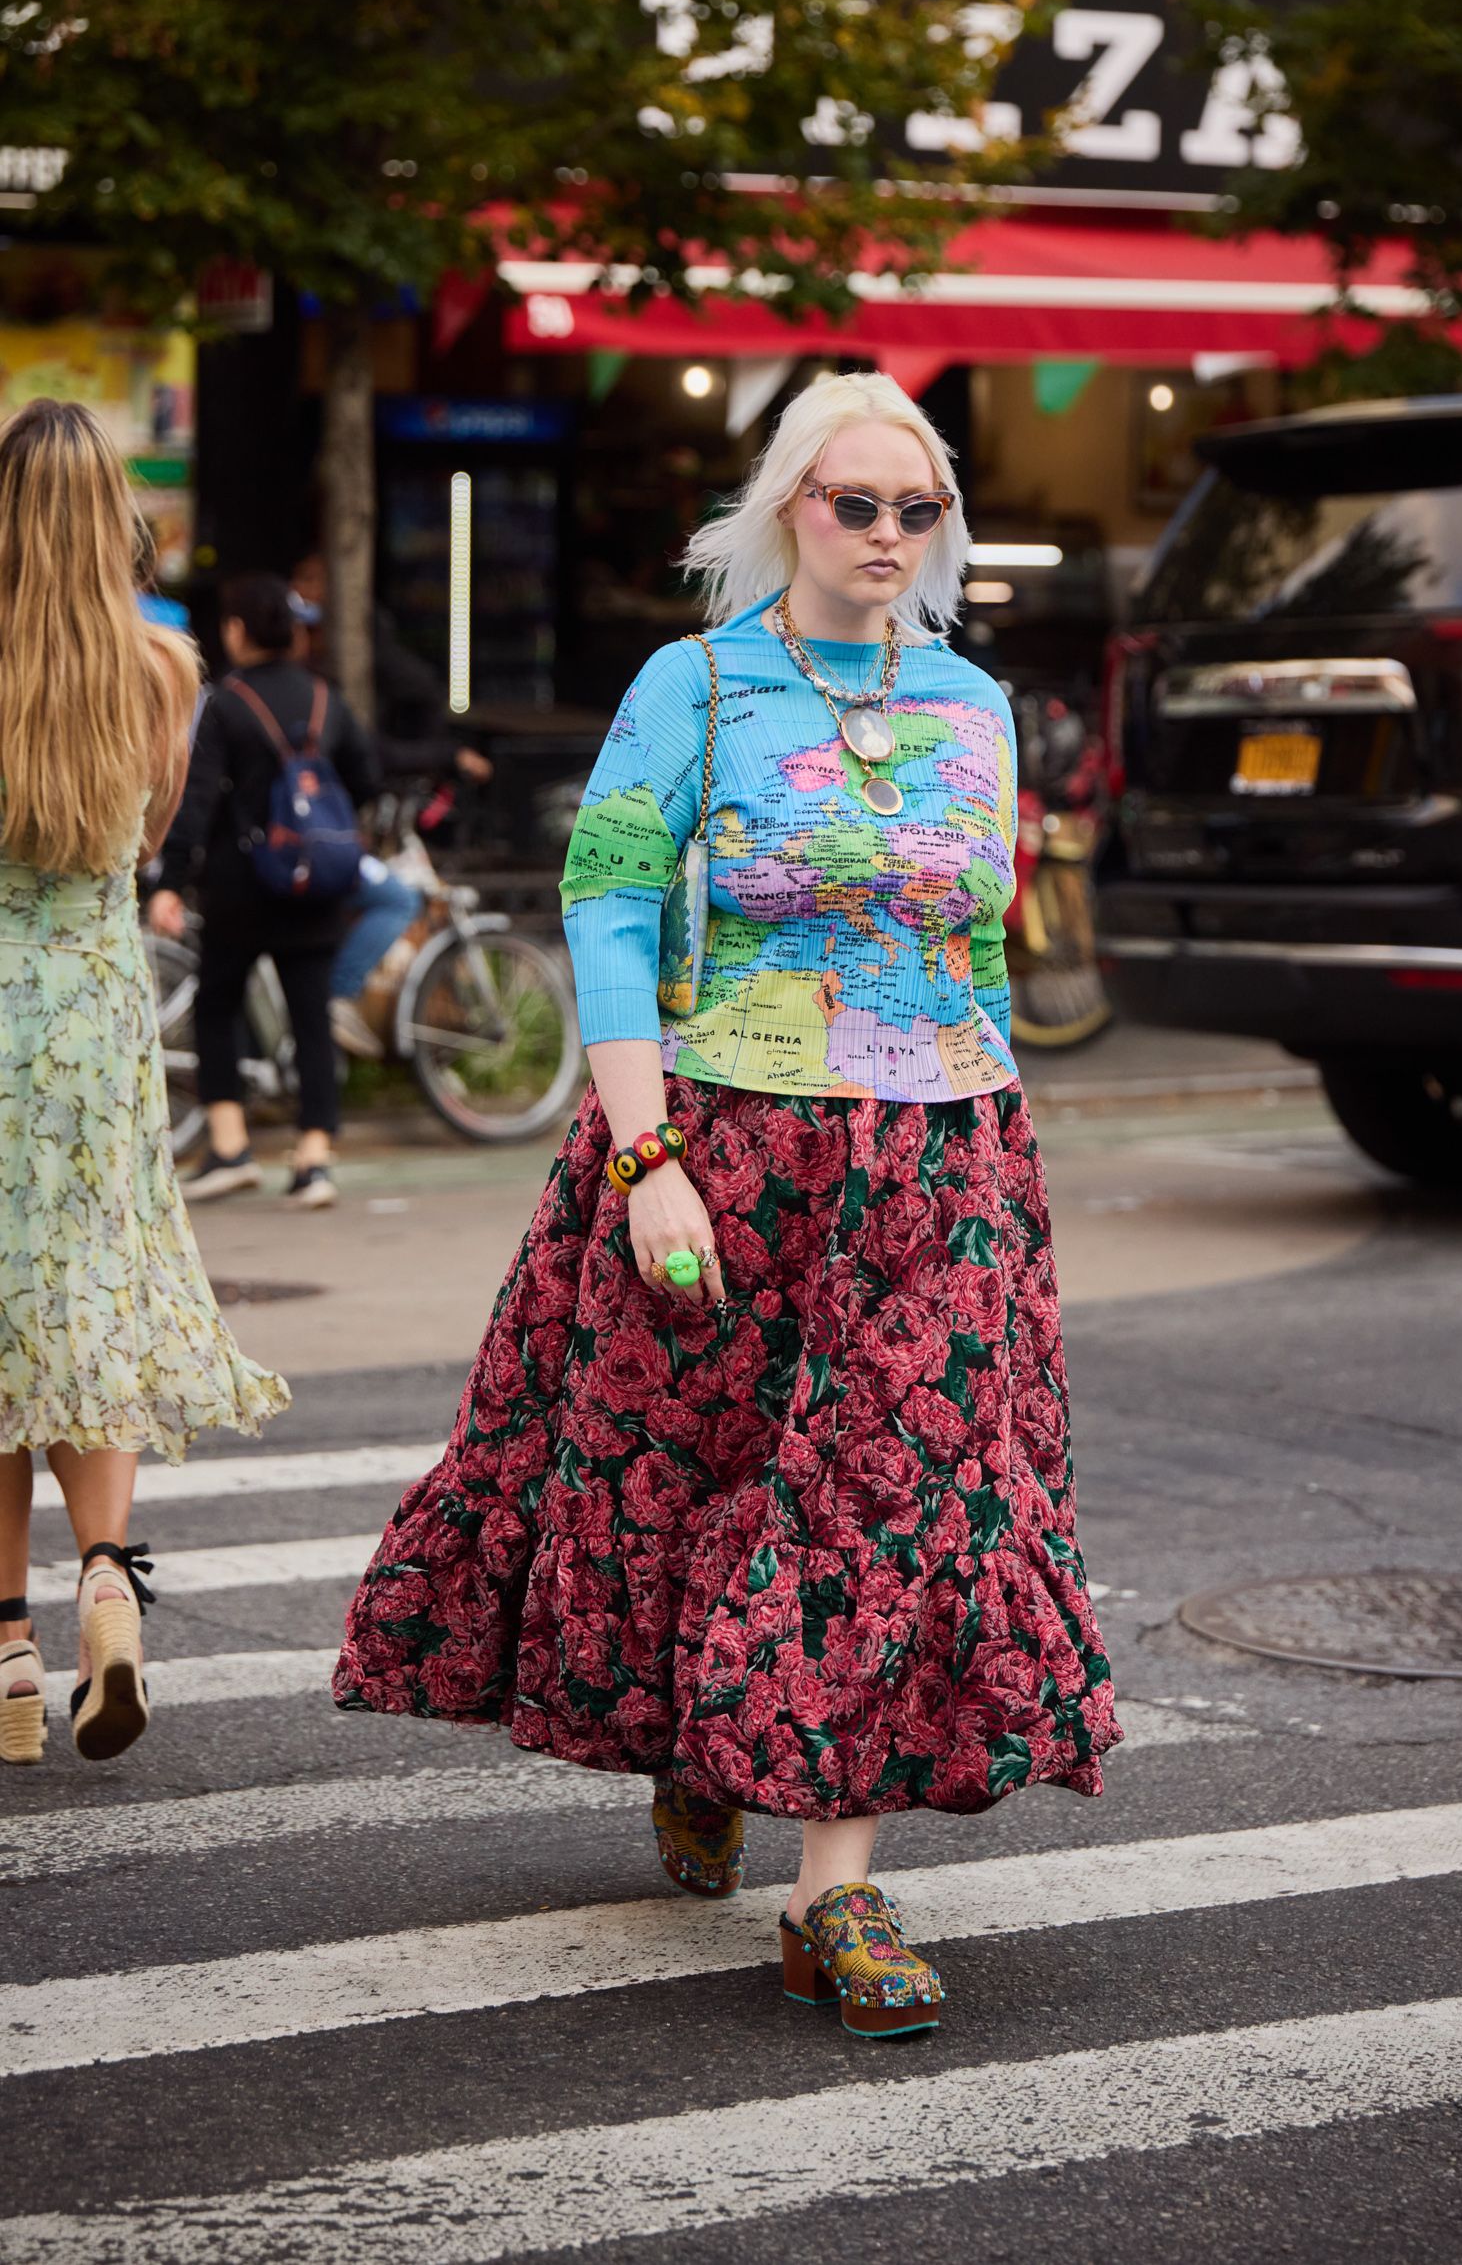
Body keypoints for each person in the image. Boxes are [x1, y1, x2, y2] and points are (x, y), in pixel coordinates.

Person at [335, 370, 1120, 2039]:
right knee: (703, 1470)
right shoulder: (689, 691)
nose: (890, 536)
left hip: (934, 1167)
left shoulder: (973, 707)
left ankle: (831, 1889)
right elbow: (609, 907)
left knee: (891, 1505)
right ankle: (713, 1741)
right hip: (725, 1145)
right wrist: (641, 1158)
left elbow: (975, 944)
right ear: (787, 509)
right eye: (857, 505)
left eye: (920, 510)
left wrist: (997, 1166)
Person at [0, 400, 288, 1768]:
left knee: (0, 1316)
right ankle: (105, 1581)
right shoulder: (166, 664)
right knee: (91, 1295)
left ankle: (3, 1643)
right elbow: (151, 837)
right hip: (98, 1018)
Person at [149, 572, 378, 1211]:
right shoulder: (326, 697)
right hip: (318, 890)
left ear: (239, 630)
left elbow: (195, 800)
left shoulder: (227, 702)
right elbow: (365, 779)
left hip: (241, 888)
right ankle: (314, 1159)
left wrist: (170, 881)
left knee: (218, 1005)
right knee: (312, 1018)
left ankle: (230, 1147)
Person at [287, 557, 489, 1058]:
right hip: (308, 847)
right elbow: (370, 756)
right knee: (397, 899)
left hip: (278, 844)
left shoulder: (265, 691)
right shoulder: (316, 692)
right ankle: (338, 998)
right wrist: (447, 756)